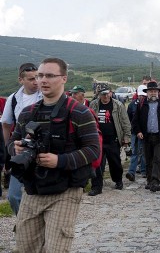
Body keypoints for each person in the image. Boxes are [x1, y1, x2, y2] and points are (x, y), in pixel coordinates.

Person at [7, 57, 100, 252]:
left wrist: (59, 160)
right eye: (40, 75)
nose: (43, 80)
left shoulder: (80, 112)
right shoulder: (27, 113)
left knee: (56, 248)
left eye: (50, 75)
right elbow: (11, 143)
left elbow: (93, 150)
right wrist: (15, 149)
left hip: (65, 191)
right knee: (25, 248)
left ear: (64, 78)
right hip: (33, 190)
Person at [2, 63, 42, 215]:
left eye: (37, 77)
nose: (36, 82)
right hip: (20, 152)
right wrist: (8, 151)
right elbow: (6, 125)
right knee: (13, 196)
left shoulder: (45, 96)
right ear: (21, 80)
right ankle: (22, 222)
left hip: (42, 152)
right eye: (32, 79)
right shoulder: (13, 99)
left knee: (39, 194)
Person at [132, 81, 160, 192]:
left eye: (155, 91)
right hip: (146, 136)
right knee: (148, 160)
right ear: (147, 92)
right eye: (151, 91)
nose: (153, 93)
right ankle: (149, 181)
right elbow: (135, 120)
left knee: (157, 159)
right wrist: (138, 131)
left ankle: (155, 181)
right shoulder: (142, 104)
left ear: (158, 92)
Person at [89, 86, 131, 196]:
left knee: (115, 163)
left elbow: (125, 122)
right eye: (103, 94)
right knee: (98, 164)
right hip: (98, 140)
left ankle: (118, 181)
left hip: (113, 139)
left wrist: (126, 138)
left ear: (111, 93)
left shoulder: (118, 105)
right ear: (99, 95)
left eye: (108, 93)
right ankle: (96, 187)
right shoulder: (93, 104)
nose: (106, 96)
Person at [126, 85, 147, 181]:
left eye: (143, 95)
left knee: (144, 152)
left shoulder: (149, 104)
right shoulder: (132, 105)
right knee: (135, 152)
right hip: (135, 132)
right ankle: (131, 172)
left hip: (146, 132)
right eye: (140, 95)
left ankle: (144, 170)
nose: (141, 97)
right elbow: (129, 119)